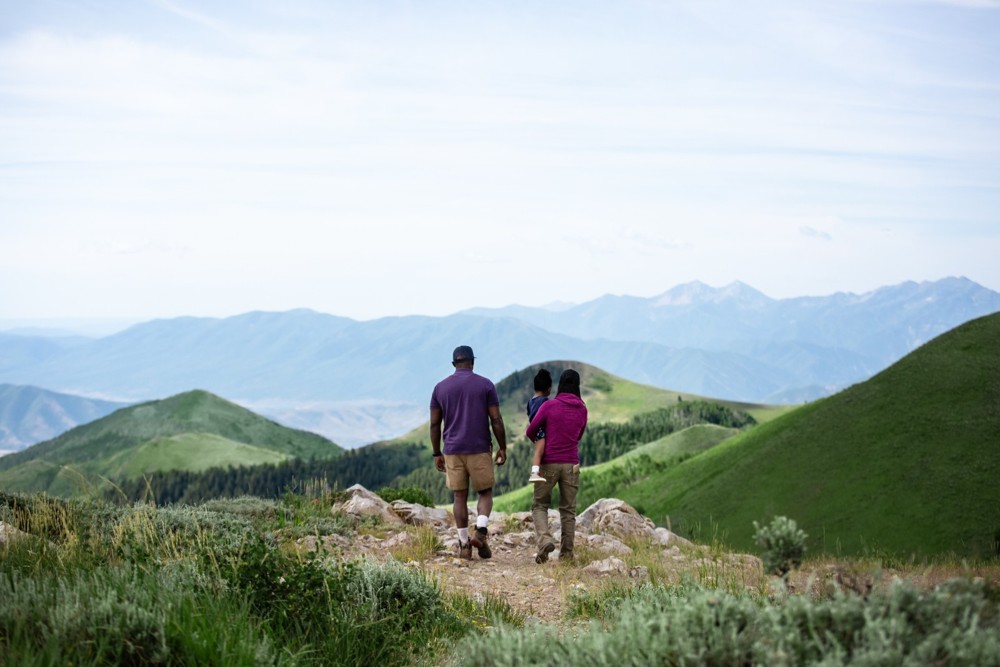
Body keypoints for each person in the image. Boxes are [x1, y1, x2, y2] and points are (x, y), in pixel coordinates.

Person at [430, 345, 508, 560]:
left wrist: (437, 452)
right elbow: (496, 419)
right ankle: (481, 531)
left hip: (453, 450)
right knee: (485, 492)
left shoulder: (440, 388)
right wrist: (502, 446)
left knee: (459, 496)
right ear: (472, 362)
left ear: (454, 364)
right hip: (480, 447)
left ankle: (464, 545)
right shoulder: (485, 385)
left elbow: (435, 424)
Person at [525, 368, 587, 564]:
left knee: (540, 505)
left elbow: (531, 430)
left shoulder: (550, 406)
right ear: (577, 387)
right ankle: (567, 556)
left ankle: (544, 540)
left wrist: (541, 445)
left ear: (560, 385)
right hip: (571, 464)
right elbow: (579, 435)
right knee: (568, 511)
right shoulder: (582, 409)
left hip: (549, 462)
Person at [526, 369, 552, 484]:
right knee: (539, 451)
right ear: (549, 389)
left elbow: (529, 415)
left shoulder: (530, 401)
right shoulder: (545, 401)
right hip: (541, 430)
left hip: (535, 429)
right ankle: (534, 472)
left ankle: (538, 470)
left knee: (539, 451)